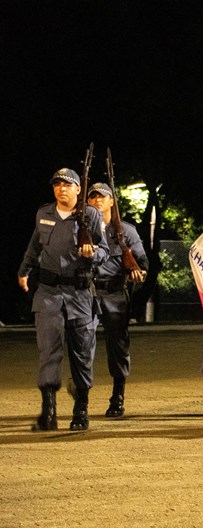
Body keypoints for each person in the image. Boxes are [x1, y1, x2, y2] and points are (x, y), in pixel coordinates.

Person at [18, 168, 109, 431]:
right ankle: (48, 411)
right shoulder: (43, 214)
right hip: (47, 293)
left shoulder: (90, 215)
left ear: (79, 189)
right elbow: (35, 246)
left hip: (79, 293)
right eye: (57, 184)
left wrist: (92, 253)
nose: (62, 188)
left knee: (82, 353)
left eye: (68, 184)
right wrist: (24, 271)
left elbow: (104, 250)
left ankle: (81, 409)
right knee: (49, 351)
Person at [86, 182, 149, 418]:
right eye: (92, 197)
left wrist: (137, 273)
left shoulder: (126, 231)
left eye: (102, 197)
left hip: (114, 293)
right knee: (82, 344)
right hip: (87, 293)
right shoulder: (79, 228)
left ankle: (117, 396)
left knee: (118, 347)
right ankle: (82, 391)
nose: (97, 200)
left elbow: (143, 264)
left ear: (112, 201)